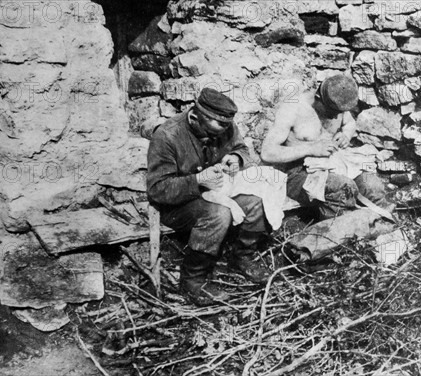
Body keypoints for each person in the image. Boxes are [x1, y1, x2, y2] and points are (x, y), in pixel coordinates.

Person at [147, 88, 271, 306]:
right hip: (178, 205)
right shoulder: (168, 135)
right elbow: (158, 189)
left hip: (215, 193)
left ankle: (241, 256)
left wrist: (236, 157)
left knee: (255, 201)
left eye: (226, 126)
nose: (224, 132)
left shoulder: (224, 125)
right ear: (195, 118)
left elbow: (241, 148)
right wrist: (197, 180)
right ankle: (193, 280)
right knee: (218, 214)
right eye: (216, 129)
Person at [261, 74, 391, 219]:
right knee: (342, 188)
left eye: (339, 113)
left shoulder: (336, 104)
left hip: (334, 164)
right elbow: (267, 152)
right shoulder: (293, 109)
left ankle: (381, 226)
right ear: (318, 98)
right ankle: (342, 234)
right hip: (298, 173)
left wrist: (346, 135)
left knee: (372, 185)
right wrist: (310, 148)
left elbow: (349, 124)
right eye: (332, 113)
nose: (336, 117)